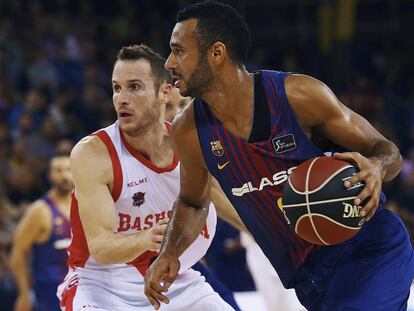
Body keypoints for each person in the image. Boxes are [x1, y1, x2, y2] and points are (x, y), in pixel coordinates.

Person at [144, 1, 414, 311]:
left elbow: (386, 150)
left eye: (179, 50)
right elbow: (193, 202)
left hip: (367, 247)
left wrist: (377, 168)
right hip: (307, 275)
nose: (169, 62)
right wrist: (170, 252)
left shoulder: (298, 96)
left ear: (216, 53)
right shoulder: (189, 131)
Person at [57, 44, 234, 311]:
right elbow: (101, 247)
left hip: (173, 280)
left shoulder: (190, 143)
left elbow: (222, 198)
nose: (121, 98)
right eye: (117, 88)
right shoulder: (93, 153)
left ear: (165, 93)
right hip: (102, 285)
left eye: (134, 87)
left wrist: (268, 232)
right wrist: (148, 237)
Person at [10, 152, 73, 311]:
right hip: (48, 294)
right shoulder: (39, 211)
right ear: (50, 175)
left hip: (80, 290)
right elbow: (17, 254)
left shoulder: (84, 205)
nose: (64, 175)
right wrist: (24, 293)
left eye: (68, 169)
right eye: (58, 170)